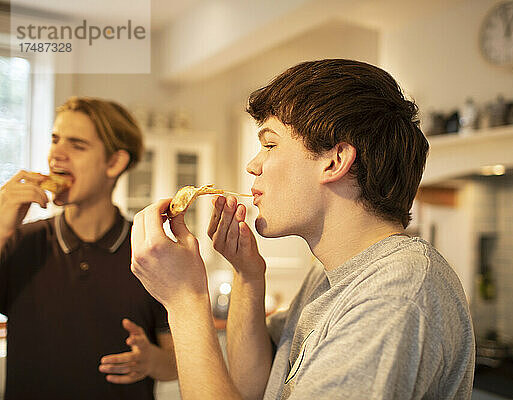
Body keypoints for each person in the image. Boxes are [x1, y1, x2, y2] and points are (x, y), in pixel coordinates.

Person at [130, 59, 475, 399]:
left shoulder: (397, 294)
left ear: (334, 160)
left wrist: (184, 302)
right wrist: (248, 275)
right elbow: (253, 387)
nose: (253, 165)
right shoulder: (329, 275)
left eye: (269, 144)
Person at [0, 97, 177, 399]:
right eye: (55, 140)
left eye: (77, 145)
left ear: (114, 163)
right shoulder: (18, 241)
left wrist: (150, 360)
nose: (55, 153)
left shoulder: (152, 251)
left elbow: (176, 361)